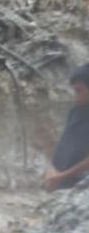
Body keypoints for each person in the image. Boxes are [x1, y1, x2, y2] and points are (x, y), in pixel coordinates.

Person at [45, 64, 89, 192]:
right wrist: (52, 170)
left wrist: (61, 176)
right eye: (75, 91)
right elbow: (63, 145)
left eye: (79, 91)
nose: (76, 96)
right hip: (63, 180)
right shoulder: (75, 112)